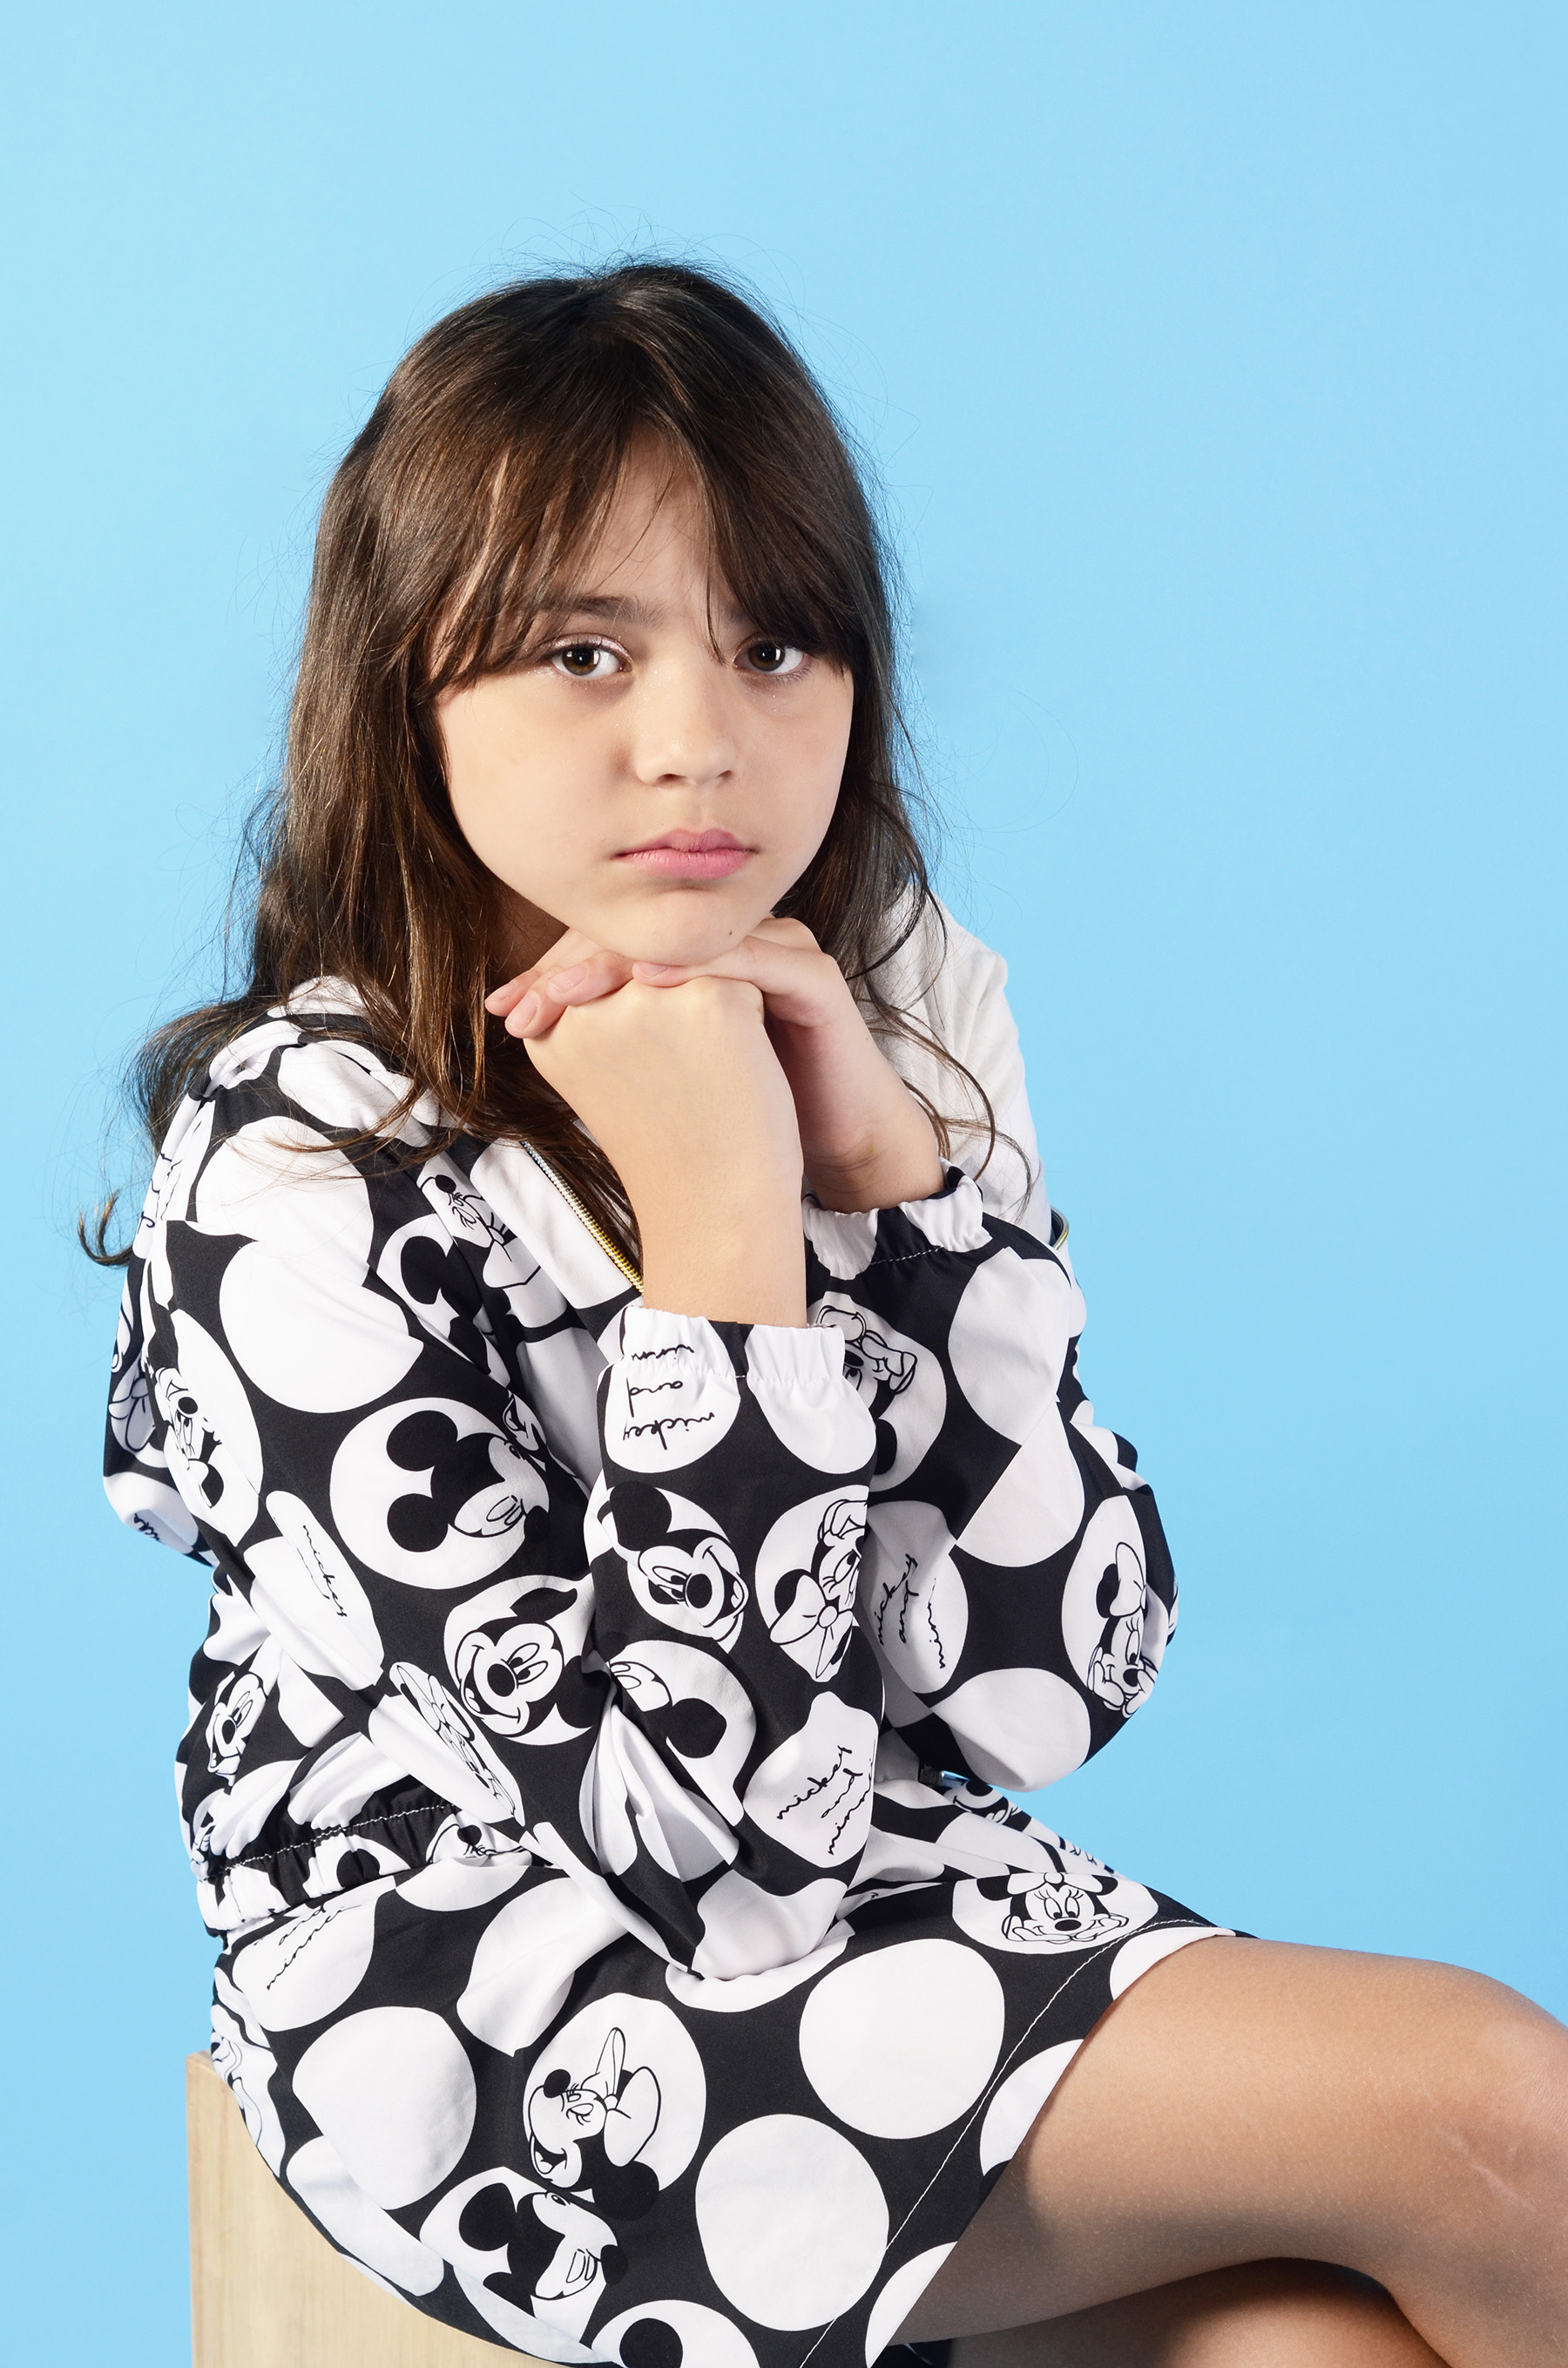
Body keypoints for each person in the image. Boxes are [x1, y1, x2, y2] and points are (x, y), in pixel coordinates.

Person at [97, 263, 1566, 2368]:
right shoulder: (295, 1159)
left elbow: (1049, 1683)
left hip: (896, 1898)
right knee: (1499, 2120)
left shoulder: (901, 1003)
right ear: (409, 688)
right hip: (486, 2006)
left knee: (1318, 2345)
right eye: (583, 652)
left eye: (775, 644)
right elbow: (703, 1869)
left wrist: (903, 1195)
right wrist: (724, 1225)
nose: (699, 738)